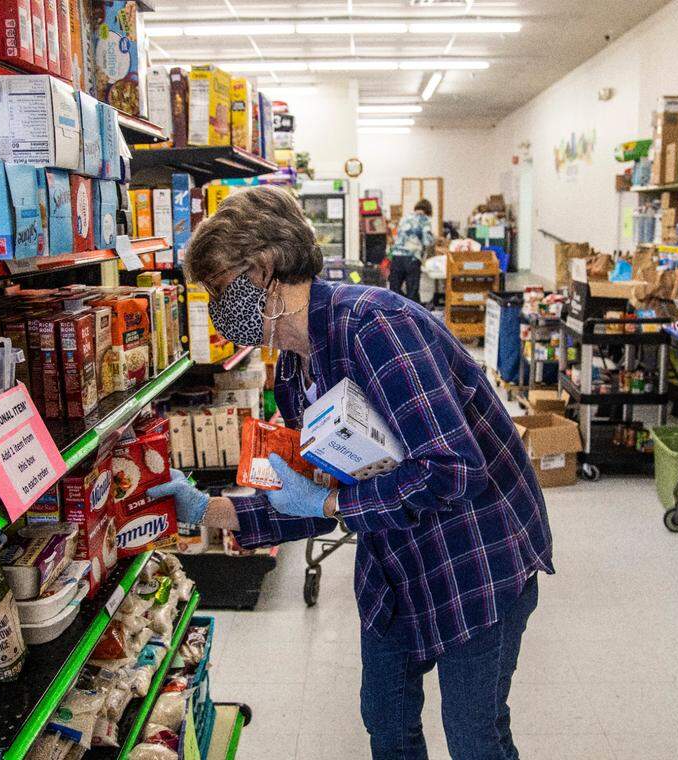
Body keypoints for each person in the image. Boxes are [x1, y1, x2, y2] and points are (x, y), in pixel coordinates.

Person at [148, 186, 553, 760]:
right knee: (385, 720)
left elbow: (452, 469)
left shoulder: (375, 328)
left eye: (219, 289)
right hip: (396, 557)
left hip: (477, 553)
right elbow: (309, 496)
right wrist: (210, 511)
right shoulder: (293, 369)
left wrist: (333, 507)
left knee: (474, 734)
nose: (216, 308)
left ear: (263, 268)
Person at [387, 198, 434, 304]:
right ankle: (413, 316)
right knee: (412, 292)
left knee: (394, 290)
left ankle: (396, 314)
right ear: (428, 211)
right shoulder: (425, 220)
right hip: (412, 258)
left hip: (397, 257)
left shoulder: (405, 218)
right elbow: (427, 241)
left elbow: (397, 236)